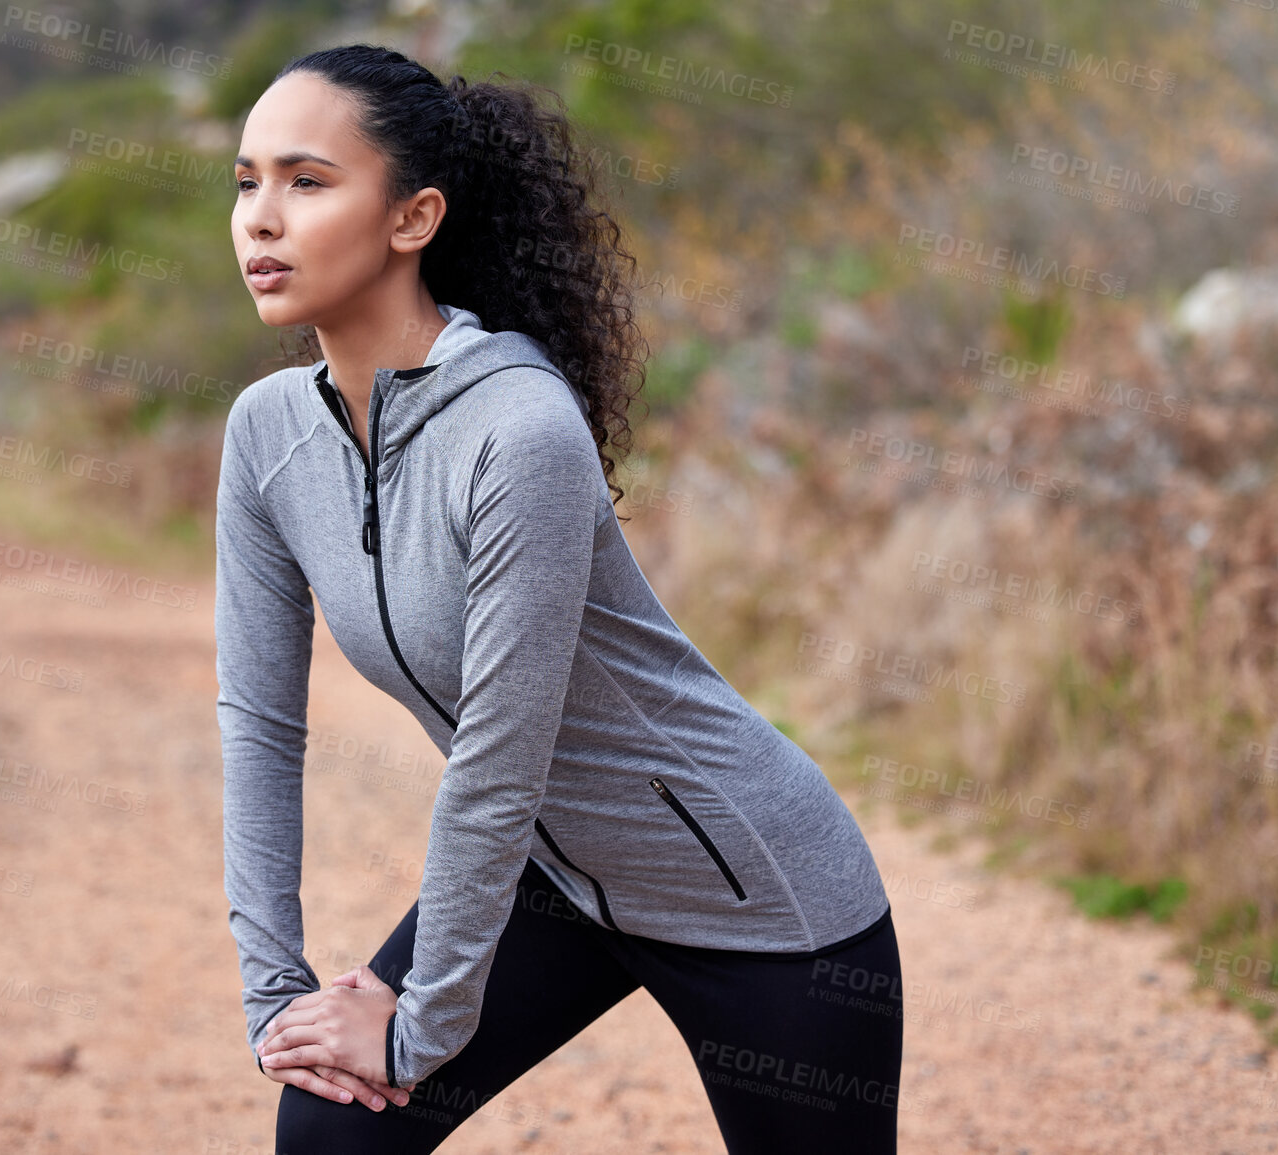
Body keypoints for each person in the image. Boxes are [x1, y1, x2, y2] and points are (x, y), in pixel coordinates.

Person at [217, 42, 904, 1154]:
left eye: (307, 180)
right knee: (333, 1135)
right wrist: (279, 1003)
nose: (260, 218)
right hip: (560, 885)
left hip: (758, 900)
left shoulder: (520, 430)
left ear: (413, 218)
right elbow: (259, 722)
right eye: (247, 182)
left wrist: (418, 1028)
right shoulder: (268, 438)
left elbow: (500, 751)